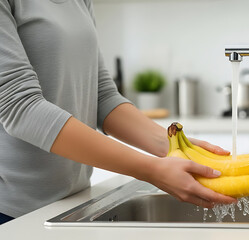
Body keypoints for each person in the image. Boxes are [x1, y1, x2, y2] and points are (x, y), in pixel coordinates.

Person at [0, 0, 236, 225]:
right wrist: (152, 170)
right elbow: (20, 106)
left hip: (72, 203)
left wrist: (175, 145)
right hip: (14, 214)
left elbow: (102, 96)